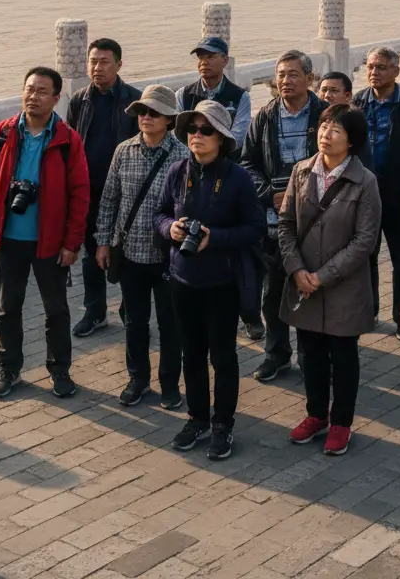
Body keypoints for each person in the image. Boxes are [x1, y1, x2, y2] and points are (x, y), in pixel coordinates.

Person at [156, 100, 265, 461]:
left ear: (221, 138)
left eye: (205, 131)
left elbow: (254, 229)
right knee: (192, 354)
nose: (197, 136)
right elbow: (157, 213)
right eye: (192, 130)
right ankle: (197, 418)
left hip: (221, 283)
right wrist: (169, 228)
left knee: (222, 356)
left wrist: (212, 238)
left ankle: (223, 423)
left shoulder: (238, 178)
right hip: (181, 279)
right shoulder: (176, 171)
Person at [0, 67, 90, 399]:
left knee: (56, 309)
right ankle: (9, 368)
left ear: (56, 99)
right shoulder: (3, 134)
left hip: (50, 242)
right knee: (7, 308)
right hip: (9, 239)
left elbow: (80, 195)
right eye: (29, 89)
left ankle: (60, 370)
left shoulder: (67, 140)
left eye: (42, 91)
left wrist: (71, 244)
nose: (33, 96)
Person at [278, 106, 381, 455]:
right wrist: (296, 270)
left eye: (336, 129)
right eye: (324, 126)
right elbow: (286, 225)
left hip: (343, 287)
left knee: (343, 355)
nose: (326, 133)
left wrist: (322, 277)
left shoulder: (365, 181)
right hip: (304, 282)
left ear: (351, 141)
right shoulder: (301, 171)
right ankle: (315, 415)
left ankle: (341, 423)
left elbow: (365, 241)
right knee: (311, 353)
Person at [94, 84, 188, 408]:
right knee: (134, 321)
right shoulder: (123, 151)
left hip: (167, 258)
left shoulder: (183, 156)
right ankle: (138, 379)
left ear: (170, 119)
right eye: (142, 112)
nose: (146, 117)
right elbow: (109, 199)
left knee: (170, 324)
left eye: (154, 113)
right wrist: (103, 242)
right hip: (130, 253)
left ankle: (170, 384)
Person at [240, 51, 322, 380]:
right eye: (281, 74)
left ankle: (311, 356)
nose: (285, 81)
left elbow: (342, 162)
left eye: (293, 74)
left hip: (314, 221)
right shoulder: (265, 117)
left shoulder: (325, 116)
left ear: (309, 79)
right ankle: (277, 354)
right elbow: (247, 162)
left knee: (309, 292)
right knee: (272, 294)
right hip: (273, 223)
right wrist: (266, 194)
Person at [353, 47, 400, 339]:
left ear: (396, 71)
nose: (374, 72)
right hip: (365, 194)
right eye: (371, 67)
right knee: (365, 254)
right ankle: (367, 310)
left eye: (382, 67)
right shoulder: (358, 102)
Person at [67, 38, 141, 338]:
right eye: (93, 61)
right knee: (90, 254)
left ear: (119, 65)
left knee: (124, 252)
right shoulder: (79, 100)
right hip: (88, 191)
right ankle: (95, 311)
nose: (97, 68)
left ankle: (129, 309)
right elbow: (71, 145)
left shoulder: (134, 101)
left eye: (104, 62)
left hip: (125, 192)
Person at [175, 36, 251, 149]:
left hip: (226, 161)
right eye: (200, 57)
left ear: (225, 60)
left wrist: (210, 153)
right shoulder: (183, 95)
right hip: (190, 159)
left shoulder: (240, 96)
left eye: (210, 57)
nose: (203, 62)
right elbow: (177, 134)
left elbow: (237, 138)